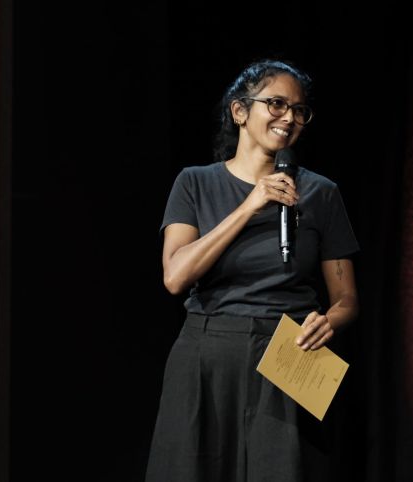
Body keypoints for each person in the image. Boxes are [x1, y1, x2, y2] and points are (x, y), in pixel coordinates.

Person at [146, 59, 359, 482]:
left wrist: (328, 322)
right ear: (240, 111)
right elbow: (175, 277)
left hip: (289, 348)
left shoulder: (320, 192)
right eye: (276, 104)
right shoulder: (195, 183)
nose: (289, 118)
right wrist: (249, 205)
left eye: (299, 110)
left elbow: (347, 300)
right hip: (208, 349)